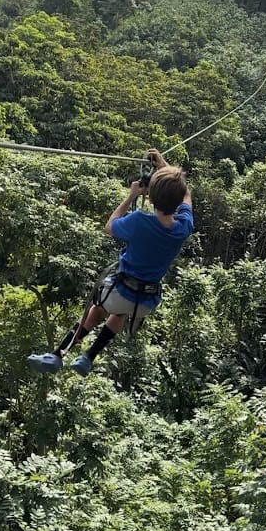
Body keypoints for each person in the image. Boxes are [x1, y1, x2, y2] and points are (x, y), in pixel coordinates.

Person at [27, 149, 193, 378]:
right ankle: (88, 357)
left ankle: (58, 354)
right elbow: (185, 196)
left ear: (150, 197)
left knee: (97, 310)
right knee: (119, 313)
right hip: (146, 301)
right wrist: (165, 168)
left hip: (121, 292)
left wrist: (131, 196)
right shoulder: (183, 227)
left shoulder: (138, 221)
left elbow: (110, 226)